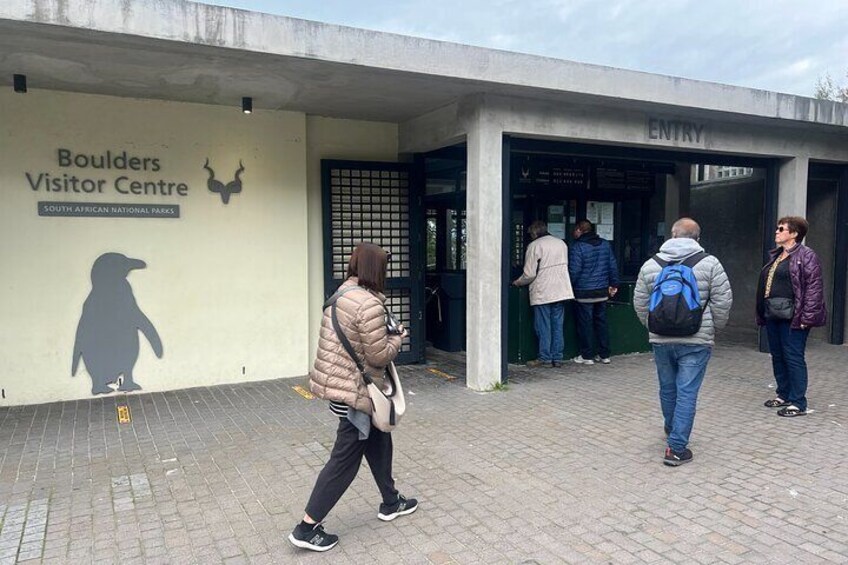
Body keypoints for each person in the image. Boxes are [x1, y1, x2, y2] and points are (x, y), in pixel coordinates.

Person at [289, 243, 418, 552]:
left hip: (340, 387)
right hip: (355, 392)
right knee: (345, 458)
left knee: (379, 437)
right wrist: (397, 340)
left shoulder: (341, 296)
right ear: (377, 270)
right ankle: (307, 527)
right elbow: (378, 355)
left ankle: (391, 501)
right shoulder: (368, 304)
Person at [634, 218, 732, 466]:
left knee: (668, 388)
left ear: (672, 235)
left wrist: (654, 327)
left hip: (661, 340)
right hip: (696, 340)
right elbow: (722, 302)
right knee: (687, 392)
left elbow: (640, 303)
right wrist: (712, 329)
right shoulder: (710, 264)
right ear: (697, 238)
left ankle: (672, 428)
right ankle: (677, 448)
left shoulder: (650, 264)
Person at [756, 216, 826, 417]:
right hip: (774, 313)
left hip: (794, 316)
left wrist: (807, 317)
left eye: (781, 229)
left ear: (794, 234)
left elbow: (814, 288)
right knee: (777, 355)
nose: (777, 232)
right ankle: (783, 393)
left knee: (793, 357)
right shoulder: (777, 256)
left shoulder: (807, 256)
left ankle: (798, 402)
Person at [512, 220, 575, 368]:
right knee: (557, 325)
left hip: (543, 291)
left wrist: (517, 282)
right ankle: (557, 358)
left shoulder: (535, 246)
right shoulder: (561, 243)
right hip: (561, 289)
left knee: (543, 326)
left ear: (534, 232)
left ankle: (545, 357)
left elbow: (529, 274)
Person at [569, 219, 620, 365]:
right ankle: (604, 355)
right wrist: (614, 283)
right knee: (601, 323)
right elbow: (612, 265)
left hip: (584, 292)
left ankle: (587, 356)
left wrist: (569, 286)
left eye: (575, 229)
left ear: (579, 230)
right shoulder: (605, 244)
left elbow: (575, 270)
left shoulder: (578, 247)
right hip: (602, 291)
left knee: (585, 324)